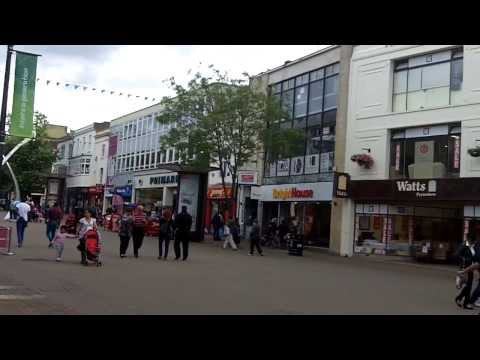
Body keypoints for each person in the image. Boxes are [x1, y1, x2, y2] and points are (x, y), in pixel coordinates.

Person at [455, 238, 477, 309]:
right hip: (465, 268)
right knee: (468, 286)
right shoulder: (464, 245)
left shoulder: (473, 246)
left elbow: (474, 256)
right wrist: (466, 259)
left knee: (469, 286)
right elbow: (457, 255)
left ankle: (460, 298)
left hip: (471, 268)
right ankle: (465, 303)